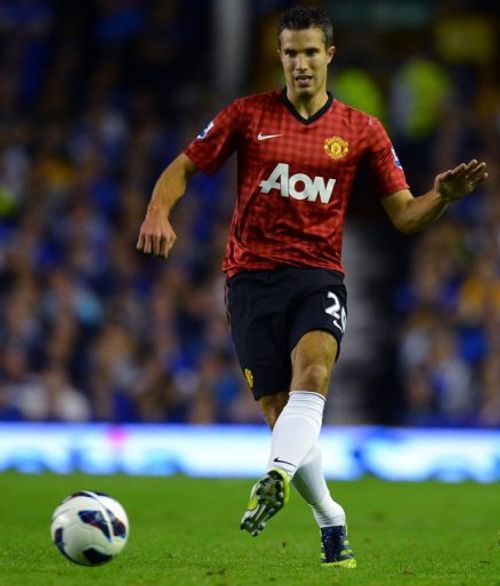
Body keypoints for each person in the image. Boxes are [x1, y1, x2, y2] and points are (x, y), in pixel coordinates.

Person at [136, 6, 488, 568]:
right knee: (282, 412)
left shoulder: (362, 130)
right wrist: (158, 211)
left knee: (315, 373)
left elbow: (404, 215)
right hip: (250, 278)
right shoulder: (246, 115)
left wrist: (441, 196)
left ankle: (273, 475)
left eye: (310, 52)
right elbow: (182, 167)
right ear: (280, 57)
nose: (301, 63)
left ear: (329, 56)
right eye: (291, 53)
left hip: (318, 272)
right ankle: (331, 517)